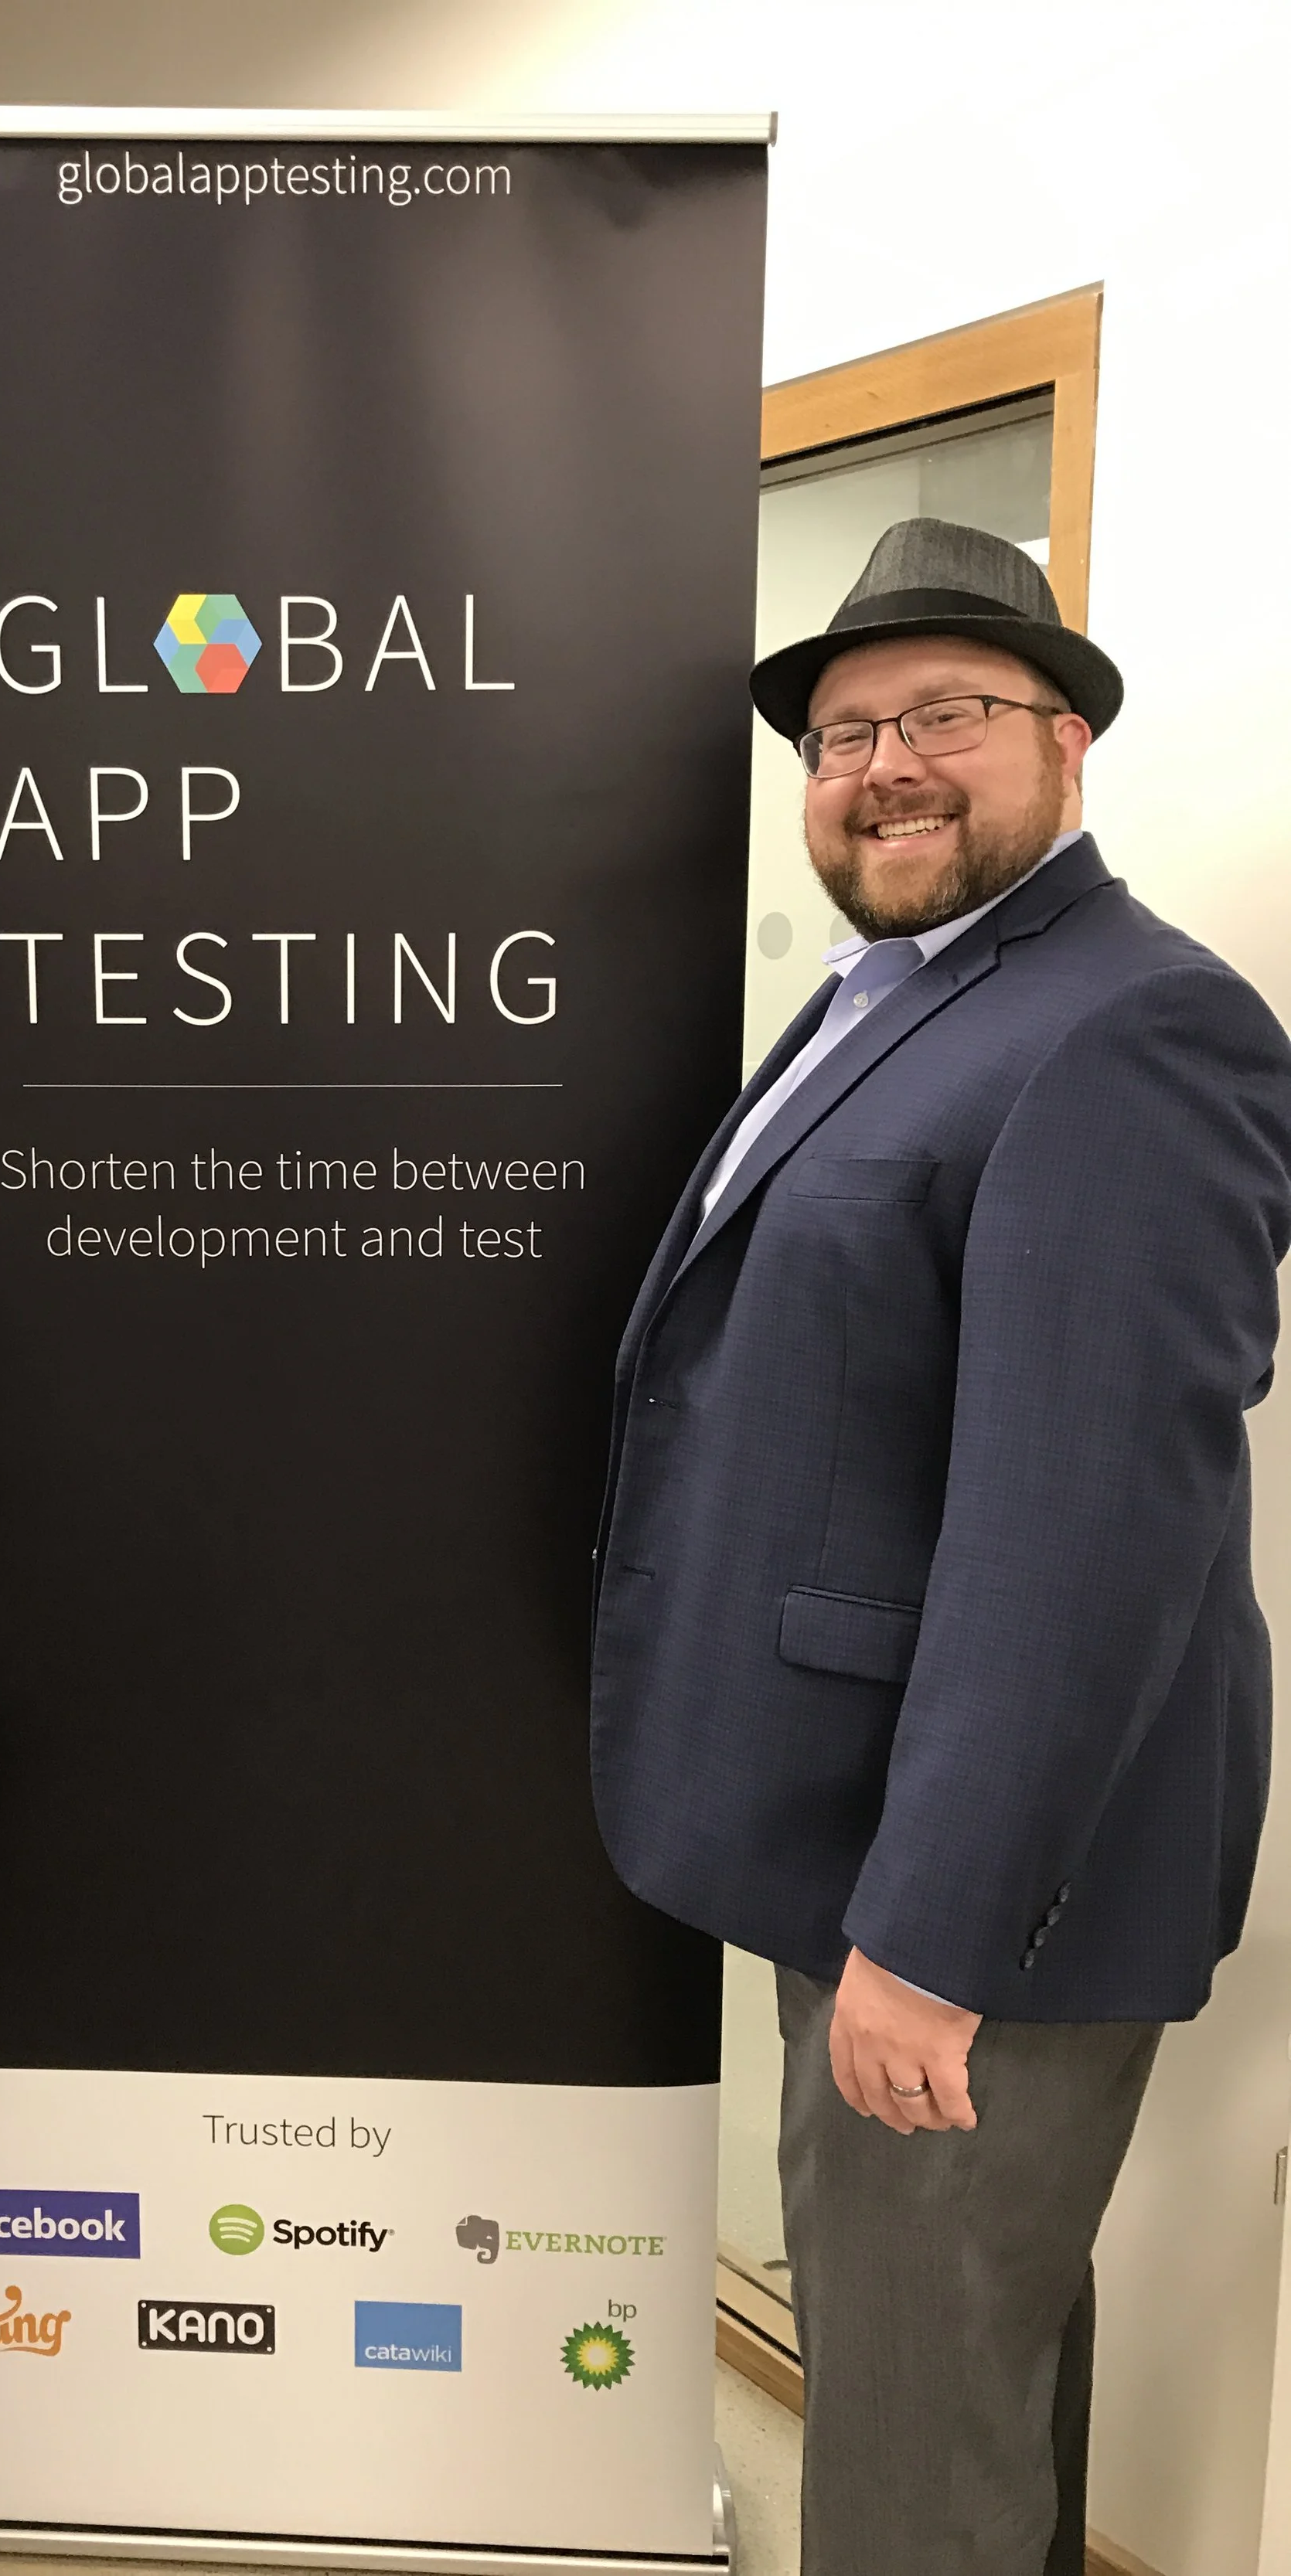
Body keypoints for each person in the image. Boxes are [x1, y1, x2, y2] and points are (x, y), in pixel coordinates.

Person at [591, 519, 1291, 2572]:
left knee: (911, 2437)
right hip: (870, 1822)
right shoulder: (899, 995)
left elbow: (1086, 1533)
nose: (881, 765)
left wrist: (932, 1932)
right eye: (839, 733)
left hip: (975, 1887)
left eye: (941, 716)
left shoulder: (1130, 1026)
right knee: (969, 2374)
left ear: (1062, 736)